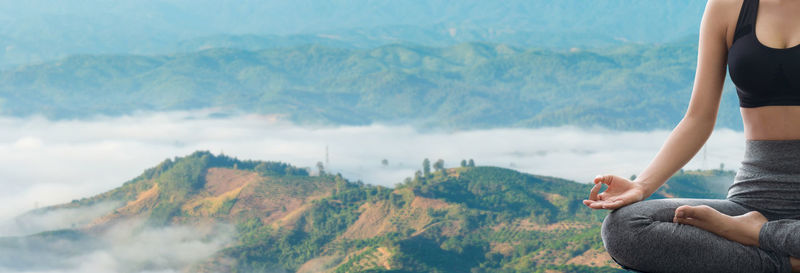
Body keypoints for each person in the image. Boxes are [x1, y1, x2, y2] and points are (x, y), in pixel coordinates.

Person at [583, 0, 800, 272]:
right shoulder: (727, 6)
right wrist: (642, 186)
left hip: (745, 226)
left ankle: (758, 236)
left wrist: (759, 234)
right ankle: (786, 260)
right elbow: (698, 118)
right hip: (752, 199)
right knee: (625, 227)